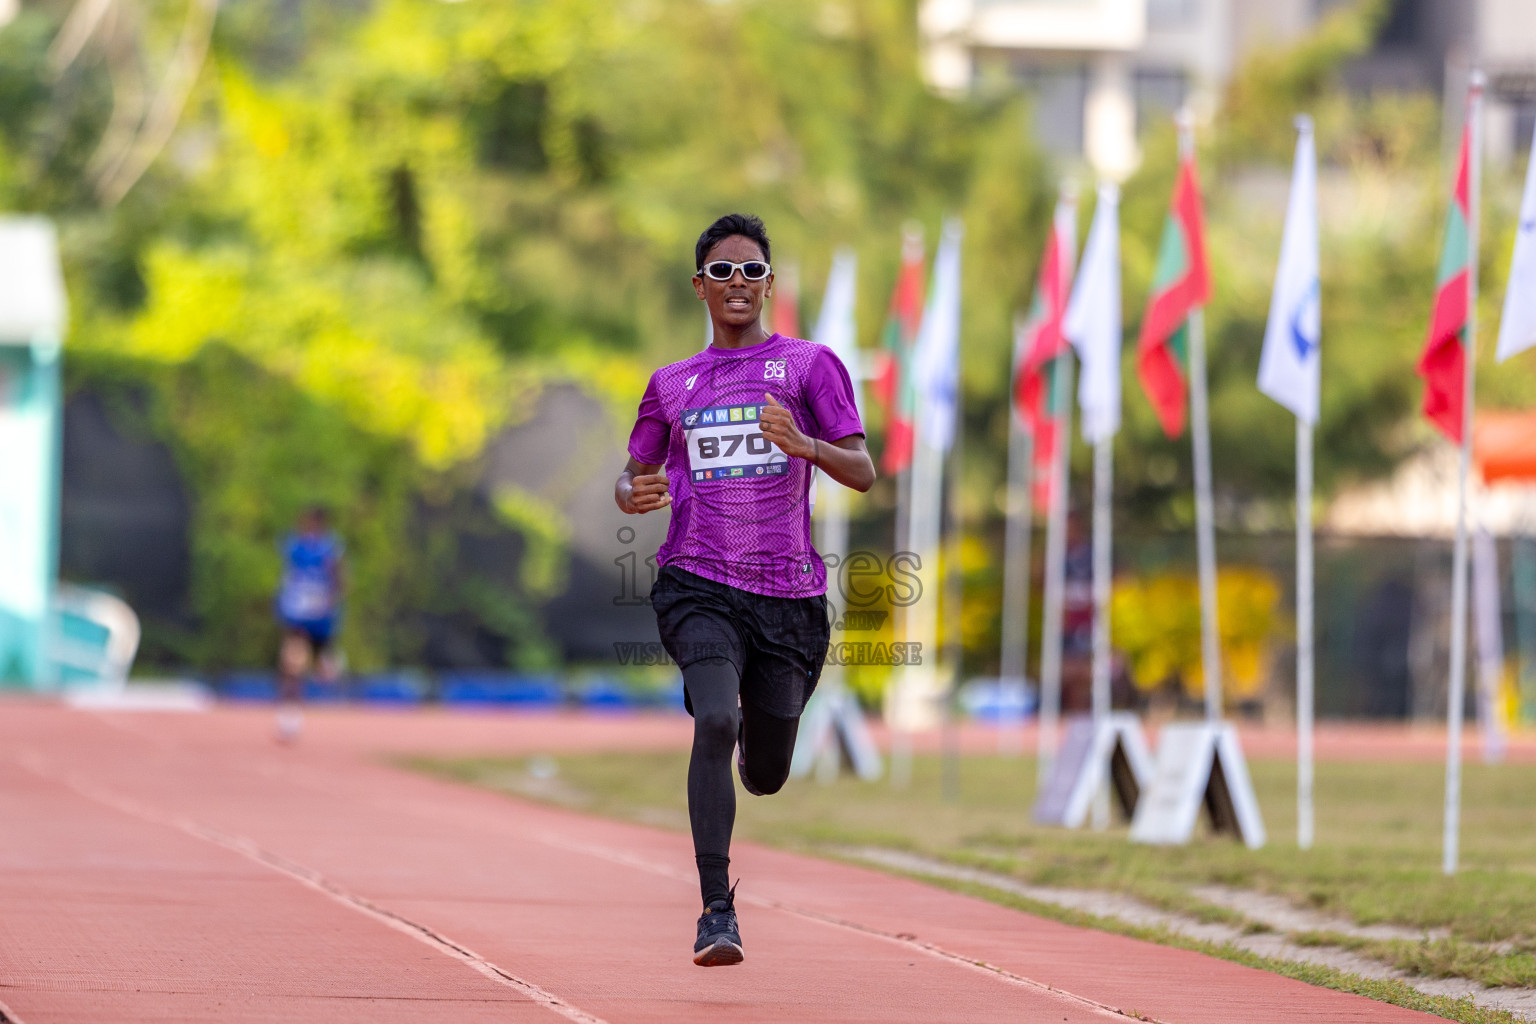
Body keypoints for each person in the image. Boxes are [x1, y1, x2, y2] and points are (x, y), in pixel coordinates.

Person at [616, 213, 875, 966]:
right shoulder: (671, 385)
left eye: (753, 271)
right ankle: (715, 911)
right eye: (723, 272)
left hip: (787, 600)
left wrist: (807, 445)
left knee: (764, 772)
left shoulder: (809, 367)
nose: (739, 284)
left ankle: (737, 719)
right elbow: (635, 474)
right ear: (699, 285)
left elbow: (860, 470)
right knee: (718, 724)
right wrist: (630, 493)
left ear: (770, 284)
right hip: (696, 582)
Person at [273, 506, 346, 743]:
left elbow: (339, 578)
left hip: (321, 618)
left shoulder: (330, 548)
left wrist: (331, 602)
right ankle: (289, 719)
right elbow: (287, 575)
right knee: (291, 664)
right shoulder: (294, 546)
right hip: (298, 616)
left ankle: (330, 663)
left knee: (325, 670)